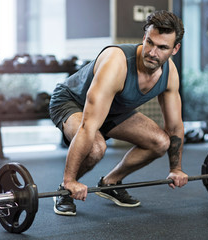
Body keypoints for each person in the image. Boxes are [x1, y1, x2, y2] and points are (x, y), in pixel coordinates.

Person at [49, 10, 188, 216]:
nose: (152, 52)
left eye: (162, 47)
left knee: (160, 142)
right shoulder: (117, 63)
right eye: (150, 42)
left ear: (175, 49)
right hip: (72, 102)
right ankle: (64, 189)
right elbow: (88, 125)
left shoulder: (169, 75)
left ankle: (111, 183)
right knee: (96, 148)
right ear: (144, 37)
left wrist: (175, 168)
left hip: (114, 109)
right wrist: (70, 180)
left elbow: (175, 127)